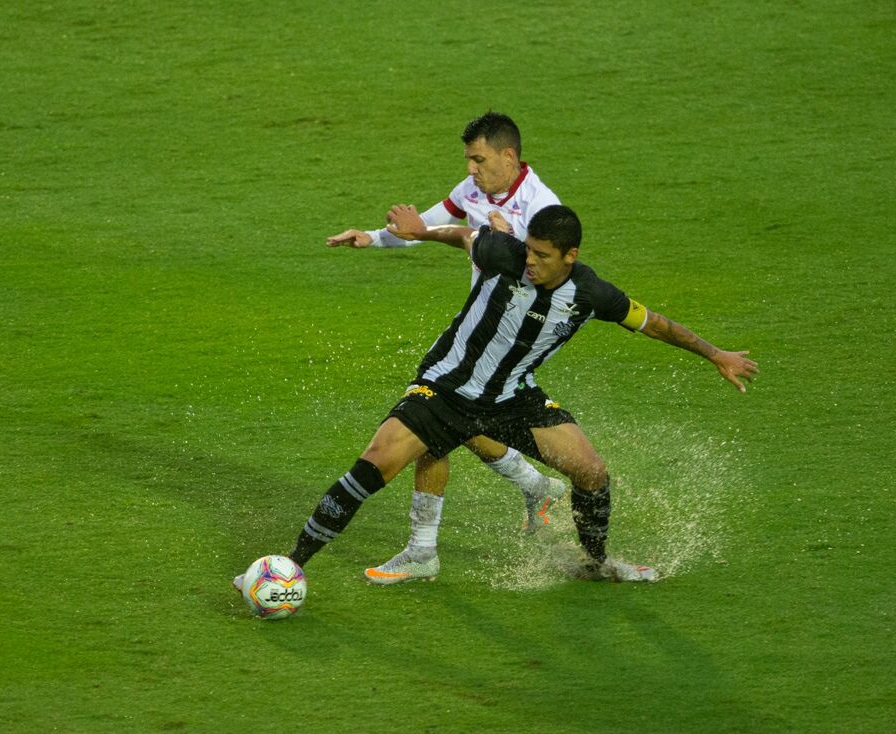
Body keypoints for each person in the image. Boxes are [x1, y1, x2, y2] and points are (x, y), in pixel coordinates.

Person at [235, 204, 757, 589]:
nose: (530, 261)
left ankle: (596, 564)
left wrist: (715, 355)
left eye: (543, 256)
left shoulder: (593, 294)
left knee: (591, 471)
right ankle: (288, 566)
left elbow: (655, 323)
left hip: (513, 400)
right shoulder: (505, 254)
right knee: (374, 465)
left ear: (570, 257)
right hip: (445, 389)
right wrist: (420, 232)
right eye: (528, 250)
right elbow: (464, 237)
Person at [326, 112, 567, 584]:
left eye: (479, 160)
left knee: (431, 412)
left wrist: (502, 238)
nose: (472, 169)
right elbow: (426, 227)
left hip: (514, 334)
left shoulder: (543, 210)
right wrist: (372, 238)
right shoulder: (471, 191)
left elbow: (543, 276)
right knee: (450, 418)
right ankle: (535, 488)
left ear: (509, 156)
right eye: (468, 160)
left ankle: (425, 551)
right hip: (479, 329)